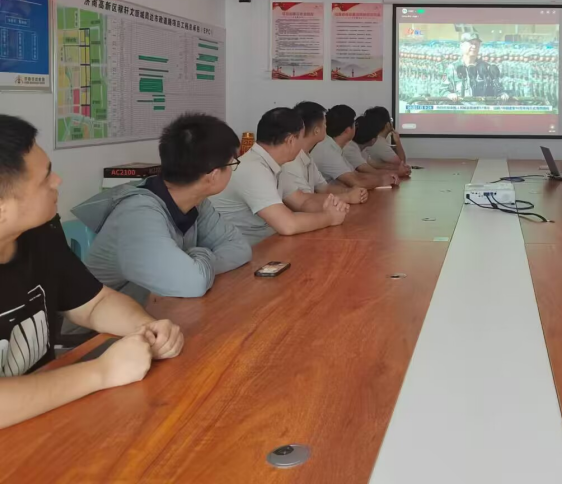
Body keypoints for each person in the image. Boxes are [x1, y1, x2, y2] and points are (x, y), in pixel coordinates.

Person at [0, 115, 183, 429]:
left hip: (45, 421)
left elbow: (94, 303)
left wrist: (146, 329)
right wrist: (102, 371)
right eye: (45, 179)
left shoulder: (39, 231)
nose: (58, 181)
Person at [74, 114, 252, 306]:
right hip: (101, 323)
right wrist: (200, 258)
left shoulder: (197, 202)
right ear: (213, 175)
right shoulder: (138, 215)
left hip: (157, 310)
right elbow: (193, 283)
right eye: (232, 164)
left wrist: (194, 263)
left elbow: (239, 248)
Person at [210, 108, 348, 245]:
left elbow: (302, 201)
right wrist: (329, 217)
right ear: (290, 140)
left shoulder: (273, 164)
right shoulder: (253, 169)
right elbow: (287, 225)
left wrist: (334, 207)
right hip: (245, 250)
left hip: (266, 243)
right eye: (301, 138)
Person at [278, 102, 368, 208]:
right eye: (325, 124)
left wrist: (351, 191)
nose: (327, 127)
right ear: (316, 131)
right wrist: (347, 197)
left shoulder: (307, 155)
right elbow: (305, 201)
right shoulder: (291, 162)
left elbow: (324, 188)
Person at [312, 105, 400, 189]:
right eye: (355, 124)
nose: (357, 128)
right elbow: (356, 182)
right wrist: (382, 180)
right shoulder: (328, 151)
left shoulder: (333, 146)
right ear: (347, 130)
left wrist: (385, 176)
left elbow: (356, 174)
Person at [444, 31, 509, 101]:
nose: (474, 46)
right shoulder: (453, 68)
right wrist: (449, 95)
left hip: (482, 107)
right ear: (461, 45)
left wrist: (502, 94)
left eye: (476, 44)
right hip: (461, 106)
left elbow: (498, 89)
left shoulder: (486, 68)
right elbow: (442, 90)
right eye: (471, 43)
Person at [352, 112, 411, 178]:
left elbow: (374, 164)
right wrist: (398, 172)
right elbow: (371, 171)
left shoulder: (361, 148)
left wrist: (396, 169)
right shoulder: (351, 148)